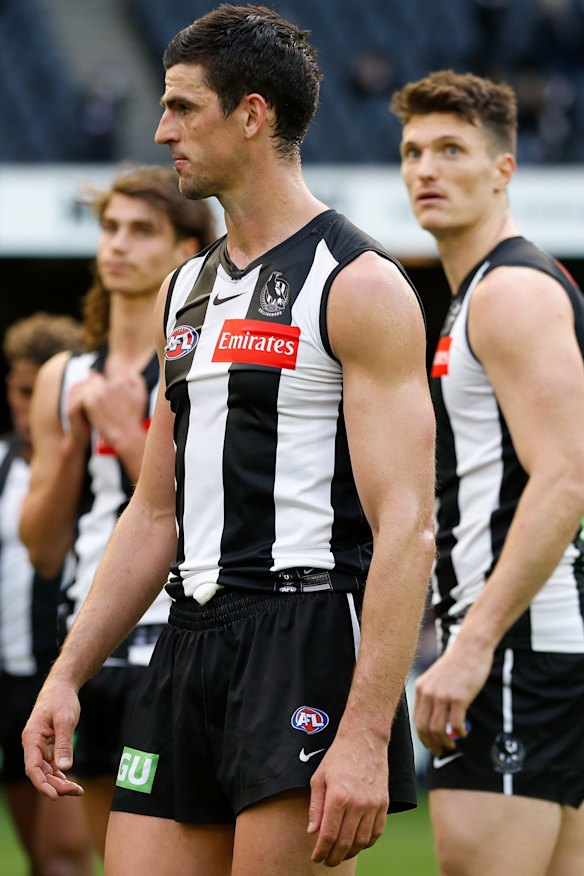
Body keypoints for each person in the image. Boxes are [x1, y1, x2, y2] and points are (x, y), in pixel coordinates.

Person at [22, 7, 436, 875]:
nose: (161, 130)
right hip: (187, 635)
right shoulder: (185, 291)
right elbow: (153, 513)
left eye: (183, 107)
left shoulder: (359, 283)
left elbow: (408, 526)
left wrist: (366, 734)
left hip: (305, 634)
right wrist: (65, 675)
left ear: (252, 115)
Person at [390, 69, 584, 876]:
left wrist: (470, 647)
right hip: (538, 647)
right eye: (412, 152)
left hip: (517, 649)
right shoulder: (484, 291)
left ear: (503, 169)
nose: (425, 170)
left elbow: (566, 478)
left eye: (450, 150)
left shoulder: (510, 291)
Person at [19, 165, 217, 858]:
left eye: (141, 230)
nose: (119, 245)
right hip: (92, 637)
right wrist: (75, 446)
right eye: (109, 228)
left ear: (186, 249)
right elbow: (42, 547)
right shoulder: (64, 376)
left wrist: (127, 434)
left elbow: (201, 508)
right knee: (116, 857)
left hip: (174, 631)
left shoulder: (203, 360)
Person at [0, 312, 94, 875]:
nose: (30, 406)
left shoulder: (101, 467)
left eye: (43, 391)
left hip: (68, 672)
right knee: (37, 855)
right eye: (21, 391)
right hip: (10, 672)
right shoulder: (4, 463)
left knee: (63, 853)